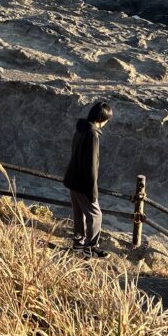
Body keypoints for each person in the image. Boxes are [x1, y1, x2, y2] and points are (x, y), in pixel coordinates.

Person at [63, 101, 113, 259]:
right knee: (96, 215)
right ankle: (91, 248)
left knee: (79, 213)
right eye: (107, 119)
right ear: (101, 118)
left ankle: (78, 244)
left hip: (72, 178)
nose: (106, 122)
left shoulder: (80, 129)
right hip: (83, 182)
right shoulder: (92, 135)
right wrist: (93, 190)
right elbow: (92, 165)